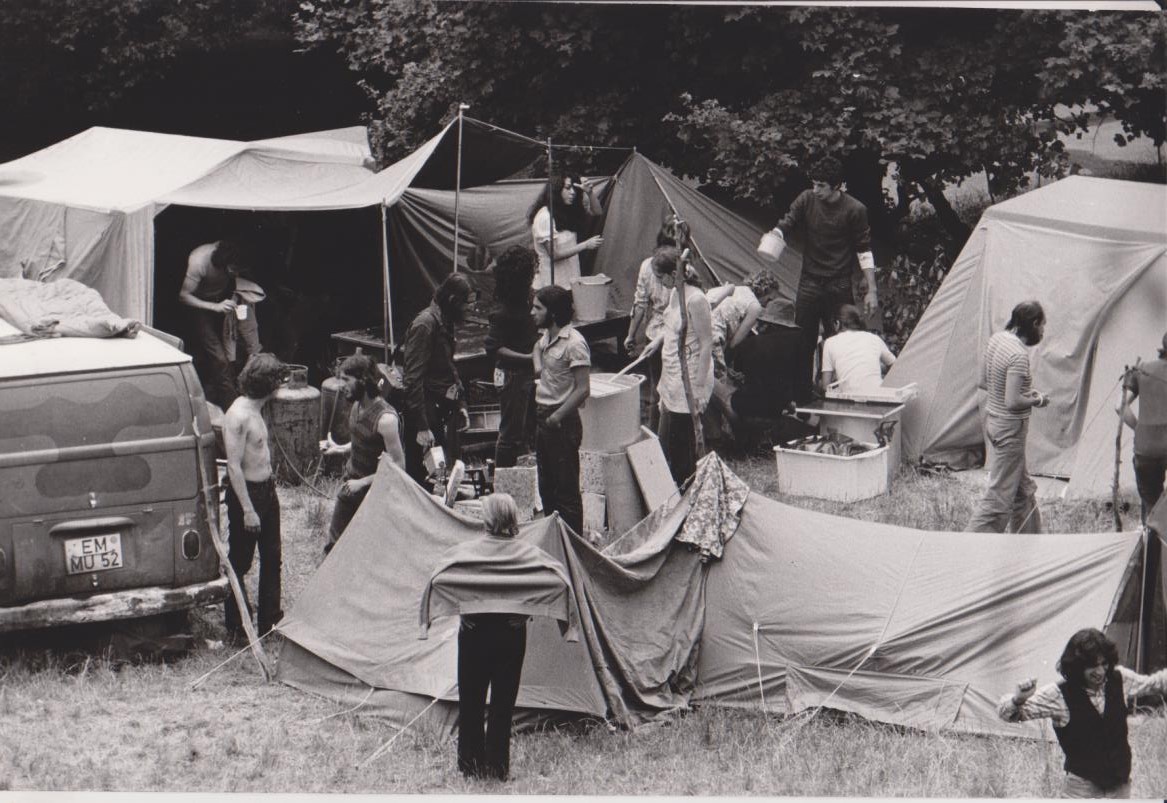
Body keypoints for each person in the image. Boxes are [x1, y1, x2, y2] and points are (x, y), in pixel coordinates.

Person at [998, 627, 1167, 798]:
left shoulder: (1121, 679)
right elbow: (1008, 714)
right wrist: (1018, 699)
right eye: (1093, 666)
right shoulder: (1058, 694)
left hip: (1120, 786)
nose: (1100, 671)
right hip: (1081, 790)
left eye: (1104, 663)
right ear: (1077, 666)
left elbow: (1154, 683)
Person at [766, 156, 878, 395]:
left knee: (843, 341)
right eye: (814, 184)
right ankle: (801, 398)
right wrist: (776, 234)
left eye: (821, 185)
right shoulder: (807, 199)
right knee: (802, 341)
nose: (815, 190)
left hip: (839, 284)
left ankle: (844, 394)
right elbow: (787, 222)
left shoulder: (855, 209)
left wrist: (872, 289)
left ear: (836, 186)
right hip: (809, 282)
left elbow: (864, 249)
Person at [455, 493, 530, 781]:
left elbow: (450, 579)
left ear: (489, 520)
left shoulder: (471, 551)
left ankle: (470, 765)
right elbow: (546, 581)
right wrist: (527, 612)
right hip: (510, 632)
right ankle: (497, 768)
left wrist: (462, 610)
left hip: (476, 631)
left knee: (471, 700)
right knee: (502, 704)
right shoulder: (525, 553)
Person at [967, 301, 1050, 534]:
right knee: (999, 497)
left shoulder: (997, 340)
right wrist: (1037, 399)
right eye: (1042, 326)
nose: (1043, 331)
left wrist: (1017, 392)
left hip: (994, 423)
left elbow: (983, 382)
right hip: (1010, 431)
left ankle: (1029, 541)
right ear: (1034, 323)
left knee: (1023, 489)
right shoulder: (1018, 355)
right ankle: (968, 544)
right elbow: (1012, 402)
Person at [221, 352, 285, 642]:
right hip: (247, 494)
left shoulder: (258, 408)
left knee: (272, 557)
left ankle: (270, 623)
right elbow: (233, 466)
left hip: (267, 490)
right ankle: (238, 628)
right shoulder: (238, 415)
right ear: (269, 384)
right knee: (240, 562)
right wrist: (248, 509)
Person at [638, 247, 713, 486]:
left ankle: (686, 487)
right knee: (665, 440)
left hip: (690, 375)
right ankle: (670, 486)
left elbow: (706, 344)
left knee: (681, 444)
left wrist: (698, 389)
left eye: (661, 278)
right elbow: (673, 325)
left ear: (673, 274)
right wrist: (657, 341)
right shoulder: (674, 293)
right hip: (671, 372)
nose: (659, 283)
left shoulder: (696, 299)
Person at [320, 353, 406, 555]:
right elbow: (364, 439)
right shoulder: (357, 405)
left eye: (346, 380)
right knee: (334, 547)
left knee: (371, 551)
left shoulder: (386, 420)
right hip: (350, 486)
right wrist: (340, 448)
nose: (342, 386)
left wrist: (362, 482)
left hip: (375, 494)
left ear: (364, 380)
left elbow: (399, 467)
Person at [401, 274, 473, 485]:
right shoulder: (425, 325)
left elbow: (449, 367)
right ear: (452, 300)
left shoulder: (445, 321)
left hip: (439, 410)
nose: (469, 309)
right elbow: (412, 379)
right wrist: (422, 426)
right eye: (466, 304)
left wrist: (461, 403)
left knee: (439, 478)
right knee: (421, 480)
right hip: (424, 413)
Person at [532, 285, 590, 535]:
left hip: (562, 421)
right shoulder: (547, 336)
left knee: (566, 491)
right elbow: (536, 348)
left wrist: (557, 416)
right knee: (546, 487)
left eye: (538, 308)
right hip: (543, 416)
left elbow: (583, 389)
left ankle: (573, 544)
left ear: (553, 313)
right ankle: (554, 540)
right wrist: (538, 368)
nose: (532, 312)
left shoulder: (574, 344)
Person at [178, 240, 264, 409]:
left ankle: (224, 393)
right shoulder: (199, 261)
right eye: (233, 269)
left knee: (235, 351)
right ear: (224, 261)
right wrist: (214, 307)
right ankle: (232, 407)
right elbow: (183, 296)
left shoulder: (237, 256)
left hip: (224, 301)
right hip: (200, 306)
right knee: (220, 358)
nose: (236, 273)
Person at [484, 246, 540, 467]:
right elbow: (493, 348)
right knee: (511, 434)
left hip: (528, 373)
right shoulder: (503, 310)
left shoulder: (529, 297)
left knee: (529, 428)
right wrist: (529, 358)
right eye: (532, 271)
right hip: (512, 375)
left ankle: (525, 471)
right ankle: (503, 478)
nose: (536, 274)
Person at [729, 299, 814, 443]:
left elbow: (739, 372)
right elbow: (804, 385)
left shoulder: (749, 343)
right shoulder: (801, 343)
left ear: (769, 323)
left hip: (747, 405)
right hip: (780, 407)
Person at [624, 221, 680, 430]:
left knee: (669, 387)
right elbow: (640, 303)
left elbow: (681, 313)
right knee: (658, 387)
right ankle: (657, 433)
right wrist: (631, 334)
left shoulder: (683, 270)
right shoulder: (649, 266)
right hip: (657, 332)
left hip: (675, 333)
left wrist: (632, 335)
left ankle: (668, 432)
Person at [1118, 332, 1167, 523]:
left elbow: (1120, 406)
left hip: (1146, 448)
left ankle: (1150, 537)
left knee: (1151, 504)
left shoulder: (1141, 369)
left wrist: (1139, 428)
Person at [528, 174, 604, 290]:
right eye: (568, 188)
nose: (573, 192)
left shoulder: (568, 211)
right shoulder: (545, 216)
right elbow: (554, 255)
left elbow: (598, 212)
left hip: (570, 279)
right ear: (556, 190)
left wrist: (589, 193)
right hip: (551, 284)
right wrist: (586, 245)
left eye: (574, 189)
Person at [820, 304, 896, 394]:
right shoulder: (874, 338)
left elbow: (825, 386)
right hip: (877, 395)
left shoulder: (830, 342)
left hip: (848, 398)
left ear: (837, 323)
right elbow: (895, 366)